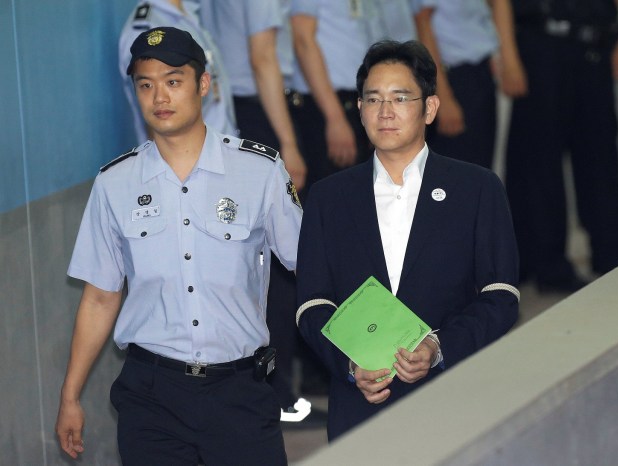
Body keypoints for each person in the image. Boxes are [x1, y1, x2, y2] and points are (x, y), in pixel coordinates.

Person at [55, 27, 301, 465]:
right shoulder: (116, 183)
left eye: (173, 81)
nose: (159, 97)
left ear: (203, 85)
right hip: (152, 395)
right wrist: (70, 395)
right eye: (145, 85)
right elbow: (99, 297)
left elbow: (311, 264)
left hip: (239, 391)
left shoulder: (259, 171)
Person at [295, 39, 520, 440]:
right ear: (360, 108)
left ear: (429, 108)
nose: (385, 112)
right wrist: (349, 364)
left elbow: (501, 295)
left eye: (400, 98)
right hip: (361, 405)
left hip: (453, 398)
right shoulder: (328, 196)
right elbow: (311, 302)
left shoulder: (477, 188)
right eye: (373, 99)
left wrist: (438, 347)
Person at [198, 0, 312, 424]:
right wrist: (289, 143)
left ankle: (271, 392)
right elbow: (263, 57)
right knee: (279, 267)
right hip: (260, 112)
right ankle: (277, 396)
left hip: (240, 115)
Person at [506, 0, 618, 291]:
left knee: (601, 153)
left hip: (594, 44)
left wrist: (617, 39)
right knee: (540, 162)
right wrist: (509, 55)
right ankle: (548, 265)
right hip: (542, 45)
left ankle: (613, 253)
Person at [414, 0, 527, 169]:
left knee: (479, 172)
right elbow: (422, 21)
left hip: (479, 71)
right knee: (453, 177)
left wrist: (507, 59)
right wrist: (442, 97)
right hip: (450, 76)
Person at [288, 0, 378, 192]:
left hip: (358, 99)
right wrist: (335, 118)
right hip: (327, 105)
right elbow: (302, 38)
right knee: (336, 202)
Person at [119, 0, 236, 145]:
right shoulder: (149, 27)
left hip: (220, 148)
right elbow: (155, 120)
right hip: (189, 160)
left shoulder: (188, 10)